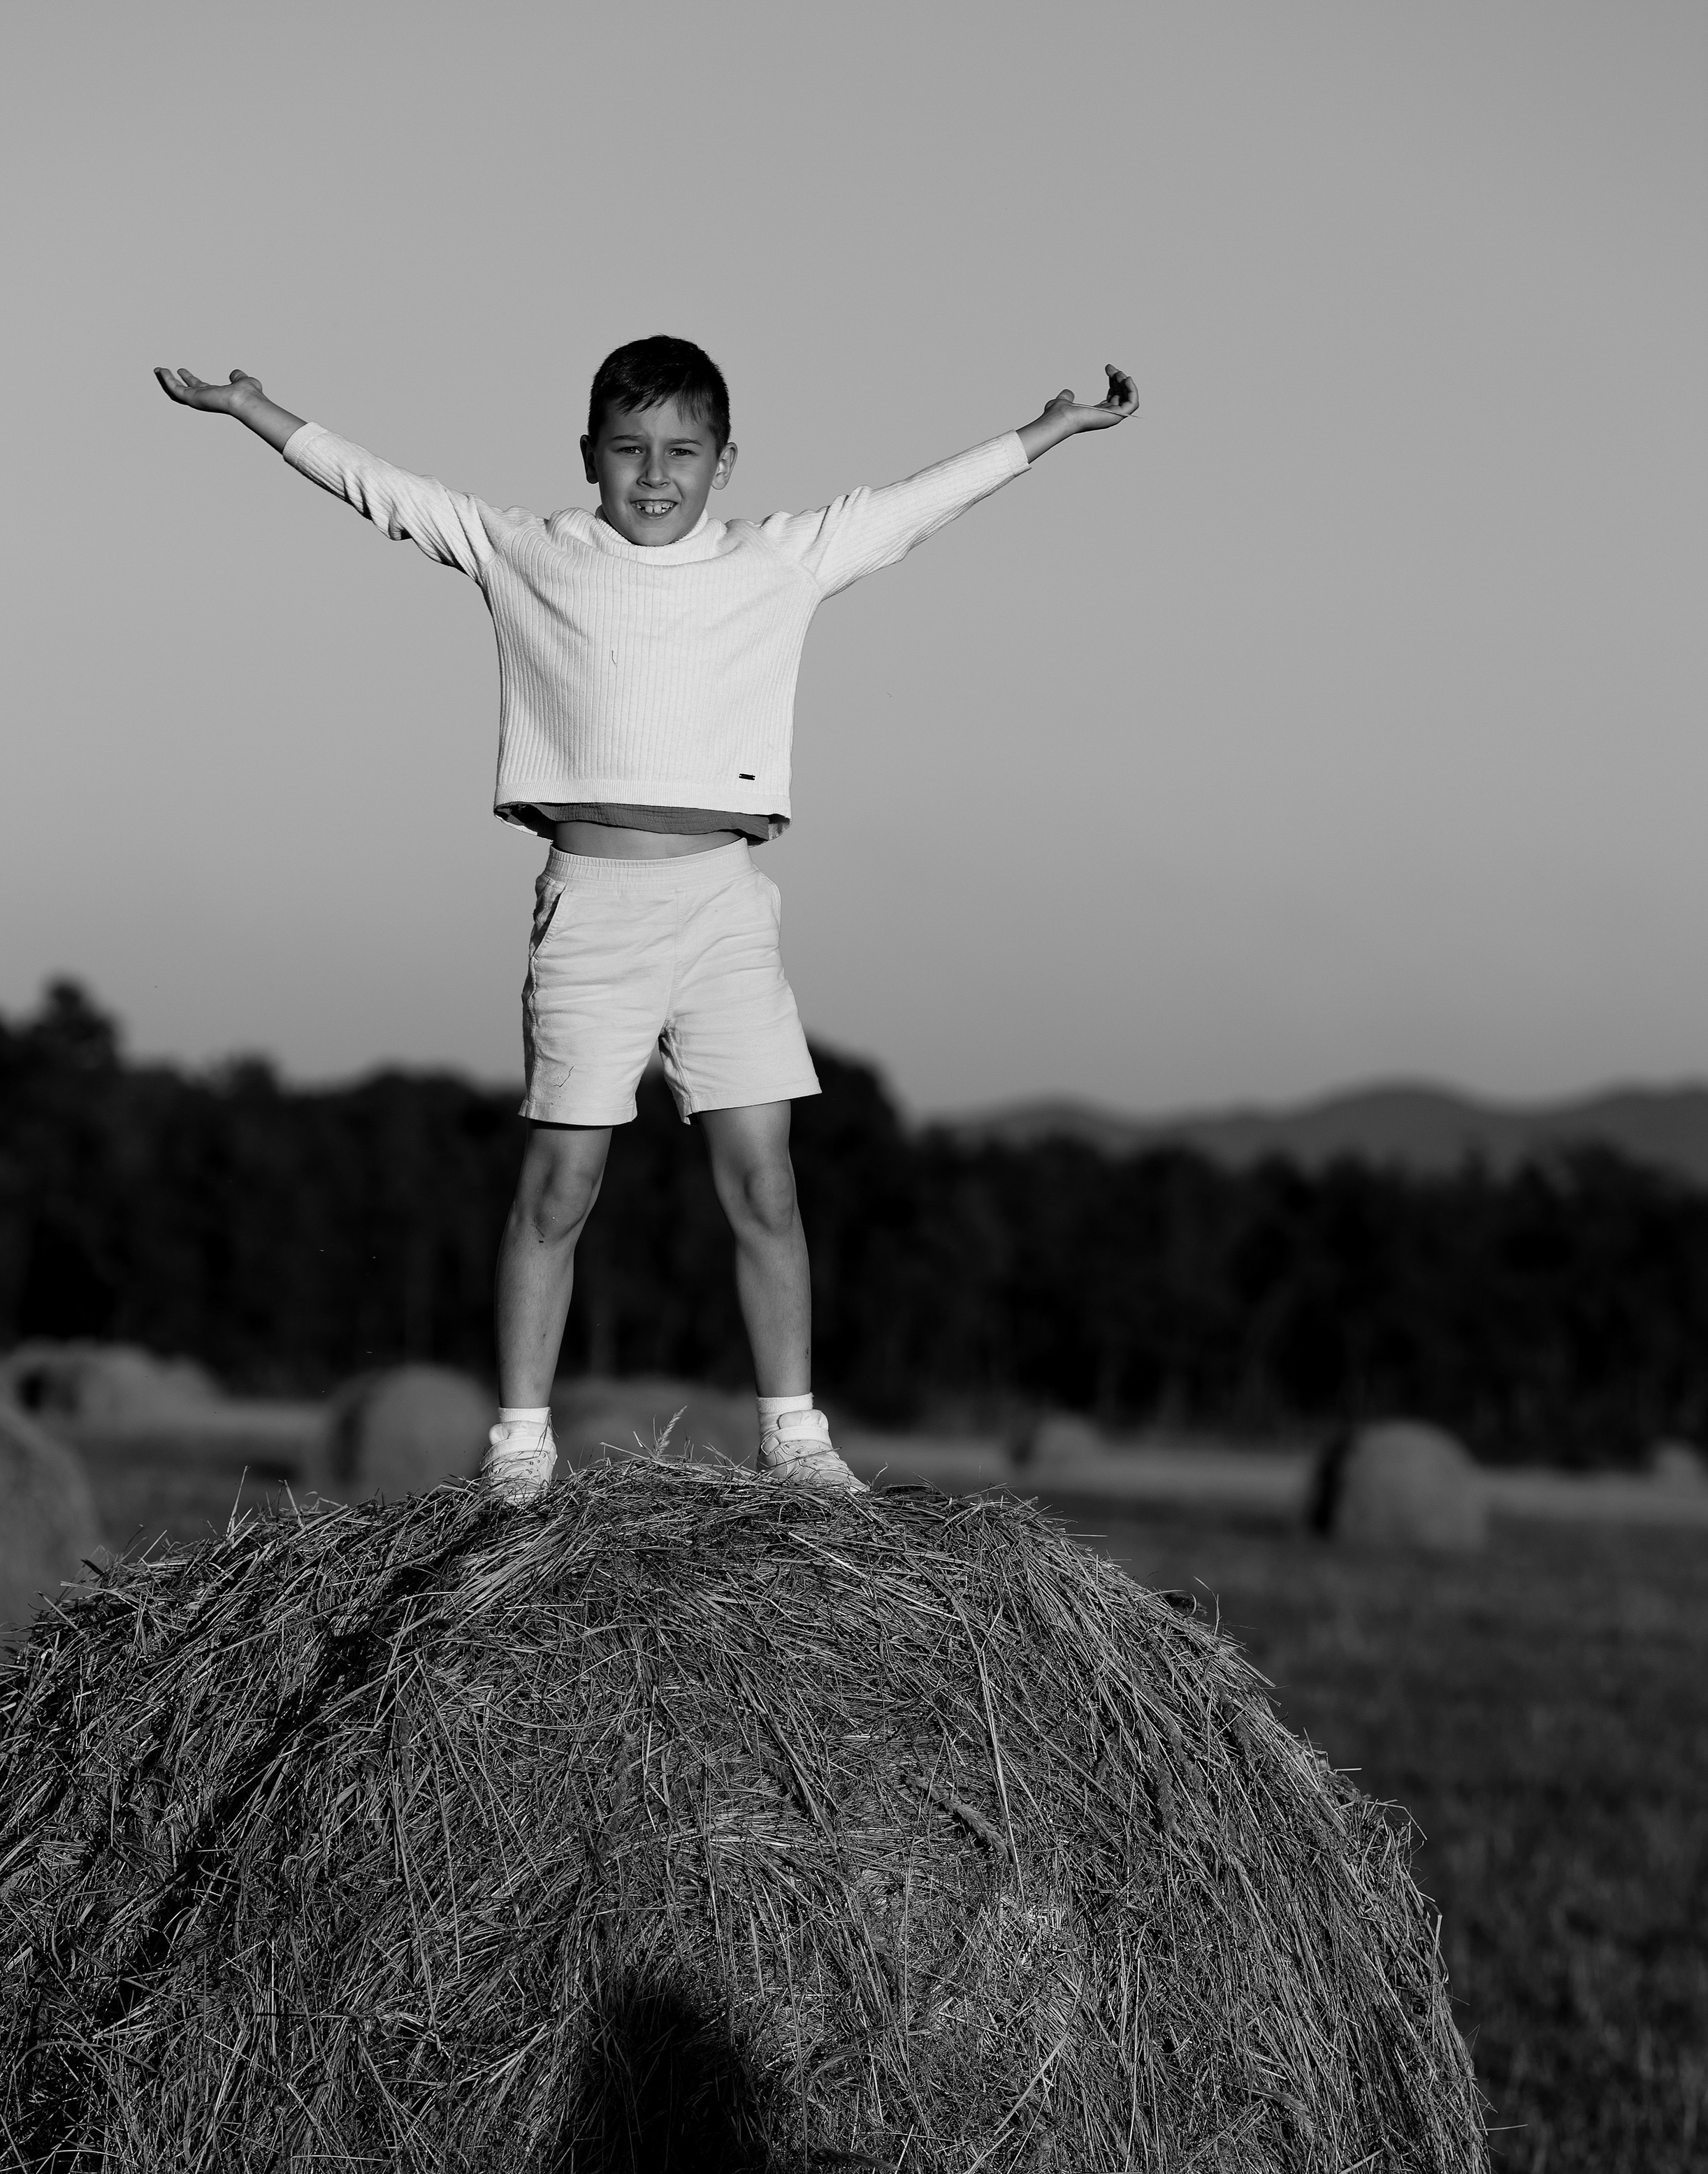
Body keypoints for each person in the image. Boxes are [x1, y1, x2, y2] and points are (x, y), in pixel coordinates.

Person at [154, 338, 1138, 1502]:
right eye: (629, 451)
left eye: (683, 452)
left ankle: (796, 1439)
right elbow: (388, 492)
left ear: (727, 462)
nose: (655, 476)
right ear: (589, 458)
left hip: (724, 907)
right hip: (593, 911)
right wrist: (259, 412)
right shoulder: (532, 552)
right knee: (561, 1185)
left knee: (765, 1183)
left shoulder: (780, 560)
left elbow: (913, 505)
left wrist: (1050, 430)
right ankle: (519, 1446)